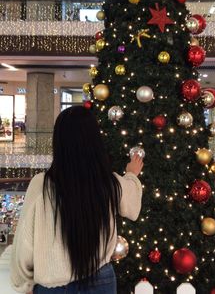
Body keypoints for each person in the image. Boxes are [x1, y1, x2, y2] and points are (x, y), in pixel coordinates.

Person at [10, 106, 143, 294]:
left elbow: (24, 243)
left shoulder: (42, 185)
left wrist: (24, 284)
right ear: (95, 141)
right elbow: (132, 206)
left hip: (54, 285)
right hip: (101, 281)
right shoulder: (107, 182)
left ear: (58, 141)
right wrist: (132, 175)